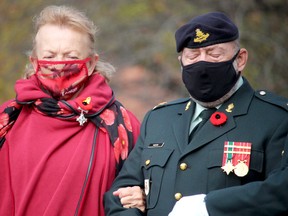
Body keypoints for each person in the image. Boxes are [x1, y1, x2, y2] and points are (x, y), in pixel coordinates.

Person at [104, 12, 288, 216]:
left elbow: (281, 192)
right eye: (193, 56)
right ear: (181, 62)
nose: (203, 63)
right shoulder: (159, 119)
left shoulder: (275, 117)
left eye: (214, 54)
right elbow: (118, 195)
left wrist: (211, 206)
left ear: (241, 59)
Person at [0, 5, 145, 216]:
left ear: (91, 62)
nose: (59, 65)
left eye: (70, 56)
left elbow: (148, 188)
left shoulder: (123, 126)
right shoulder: (7, 119)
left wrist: (144, 196)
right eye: (49, 56)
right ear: (34, 61)